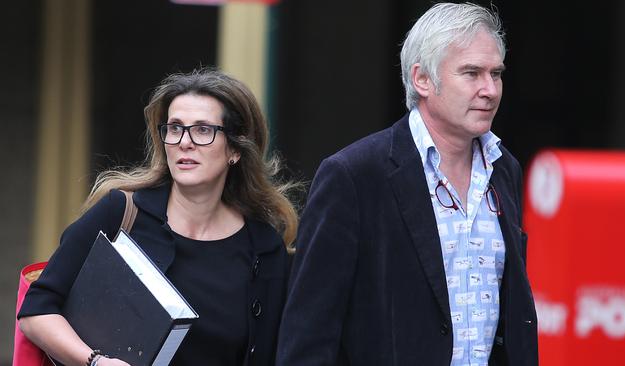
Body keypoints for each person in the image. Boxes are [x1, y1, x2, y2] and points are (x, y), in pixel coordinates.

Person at [276, 3, 538, 365]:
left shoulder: (504, 168)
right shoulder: (354, 175)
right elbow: (309, 332)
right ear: (422, 79)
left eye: (496, 74)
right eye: (472, 73)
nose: (490, 90)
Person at [18, 68, 298, 365]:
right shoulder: (121, 213)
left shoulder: (263, 247)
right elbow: (36, 312)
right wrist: (95, 362)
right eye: (175, 128)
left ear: (235, 149)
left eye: (203, 130)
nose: (184, 142)